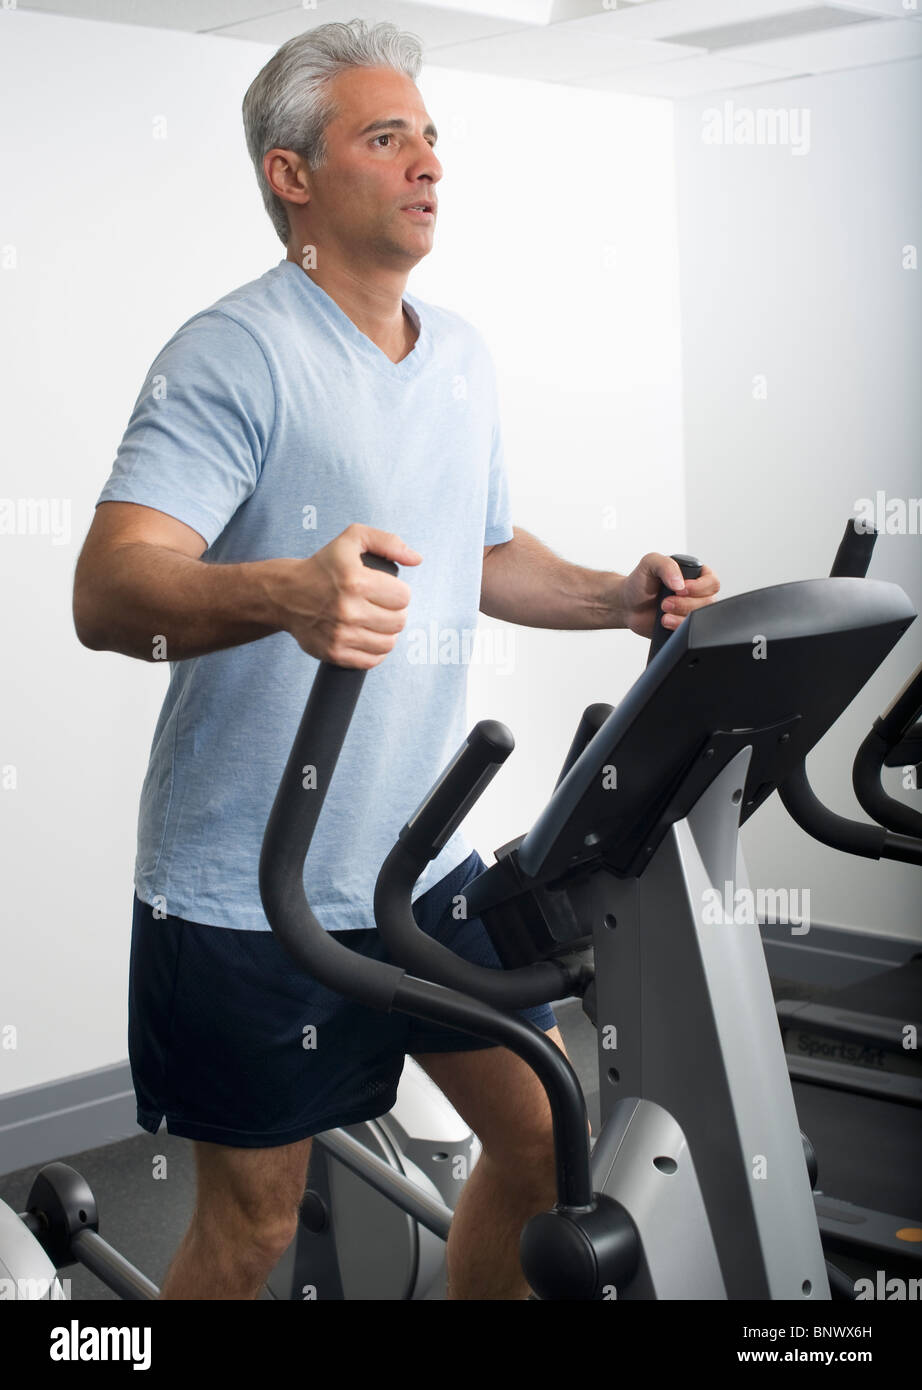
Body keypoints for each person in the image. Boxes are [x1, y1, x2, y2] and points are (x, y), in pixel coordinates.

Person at [72, 18, 719, 1301]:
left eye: (429, 137)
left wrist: (615, 596)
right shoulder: (233, 353)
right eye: (386, 137)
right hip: (246, 889)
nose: (428, 162)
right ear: (291, 176)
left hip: (417, 866)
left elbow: (477, 553)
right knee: (252, 1230)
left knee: (542, 1139)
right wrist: (286, 593)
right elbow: (109, 591)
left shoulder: (459, 353)